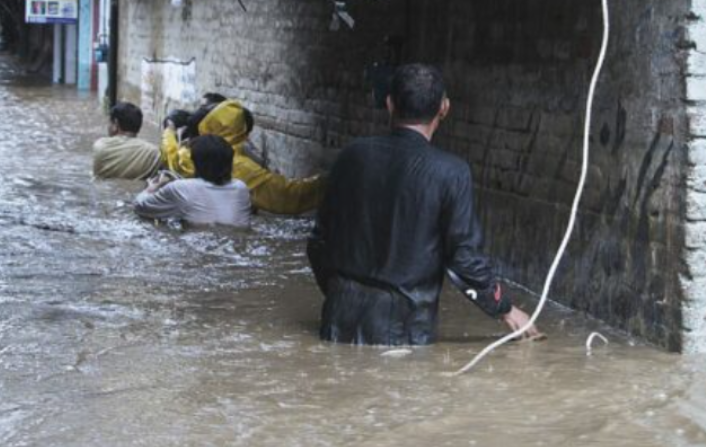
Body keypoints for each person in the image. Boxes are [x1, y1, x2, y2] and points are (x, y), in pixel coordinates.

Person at [307, 64, 541, 346]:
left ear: (389, 103)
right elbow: (463, 258)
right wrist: (504, 308)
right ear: (444, 108)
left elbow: (318, 242)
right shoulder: (451, 172)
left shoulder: (351, 157)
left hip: (337, 321)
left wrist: (338, 293)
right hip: (405, 331)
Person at [161, 97, 326, 215]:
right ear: (241, 131)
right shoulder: (243, 168)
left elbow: (171, 156)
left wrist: (169, 132)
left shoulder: (187, 155)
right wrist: (329, 181)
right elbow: (290, 197)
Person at [135, 135, 252, 228]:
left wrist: (150, 189)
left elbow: (140, 207)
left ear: (196, 162)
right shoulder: (241, 188)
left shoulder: (180, 188)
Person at [93, 102, 163, 180]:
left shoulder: (101, 146)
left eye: (109, 122)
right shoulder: (154, 153)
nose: (107, 126)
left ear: (115, 124)